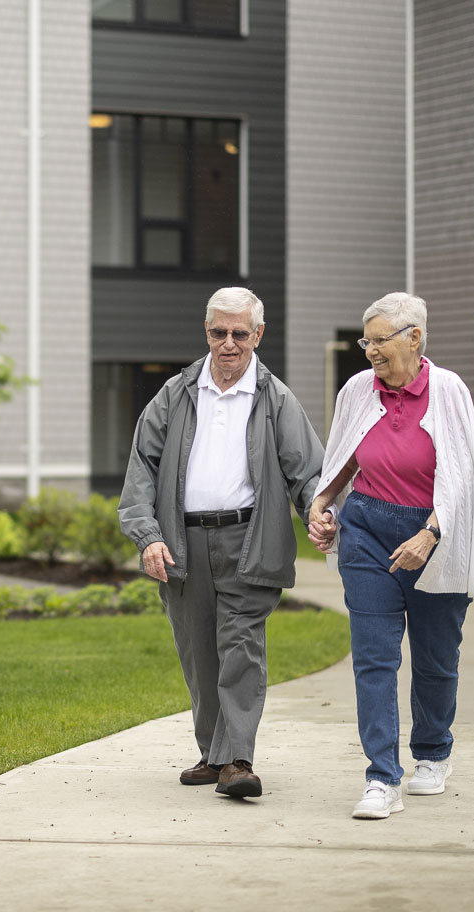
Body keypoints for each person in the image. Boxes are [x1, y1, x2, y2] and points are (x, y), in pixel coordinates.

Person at [118, 286, 327, 800]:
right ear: (206, 332)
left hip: (248, 539)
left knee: (240, 648)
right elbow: (141, 466)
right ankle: (213, 755)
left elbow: (308, 470)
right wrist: (147, 536)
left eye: (239, 333)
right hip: (182, 544)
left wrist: (320, 513)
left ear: (258, 334)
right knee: (198, 654)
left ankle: (237, 759)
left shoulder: (275, 398)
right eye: (219, 332)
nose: (228, 343)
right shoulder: (176, 392)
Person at [306, 292, 474, 820]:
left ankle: (433, 752)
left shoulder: (448, 390)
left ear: (414, 337)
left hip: (434, 534)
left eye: (379, 340)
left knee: (435, 659)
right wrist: (321, 506)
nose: (370, 351)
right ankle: (381, 778)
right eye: (366, 341)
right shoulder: (357, 390)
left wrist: (430, 535)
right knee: (374, 657)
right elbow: (342, 458)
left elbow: (463, 475)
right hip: (367, 528)